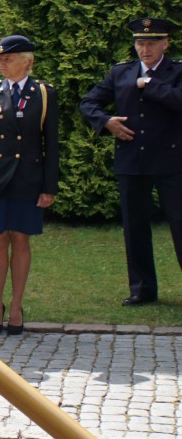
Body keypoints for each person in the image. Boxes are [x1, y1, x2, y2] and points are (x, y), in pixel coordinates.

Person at [79, 16, 182, 306]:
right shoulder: (120, 73)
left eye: (151, 43)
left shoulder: (177, 71)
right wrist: (106, 122)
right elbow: (88, 102)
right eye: (140, 43)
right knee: (135, 226)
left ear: (165, 43)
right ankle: (142, 288)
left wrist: (149, 85)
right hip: (132, 160)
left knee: (179, 223)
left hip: (171, 159)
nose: (145, 49)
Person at [0, 35, 59, 335]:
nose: (2, 64)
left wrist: (49, 186)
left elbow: (52, 144)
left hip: (28, 178)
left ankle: (16, 305)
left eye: (8, 59)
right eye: (0, 60)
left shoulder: (44, 93)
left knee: (21, 239)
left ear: (26, 61)